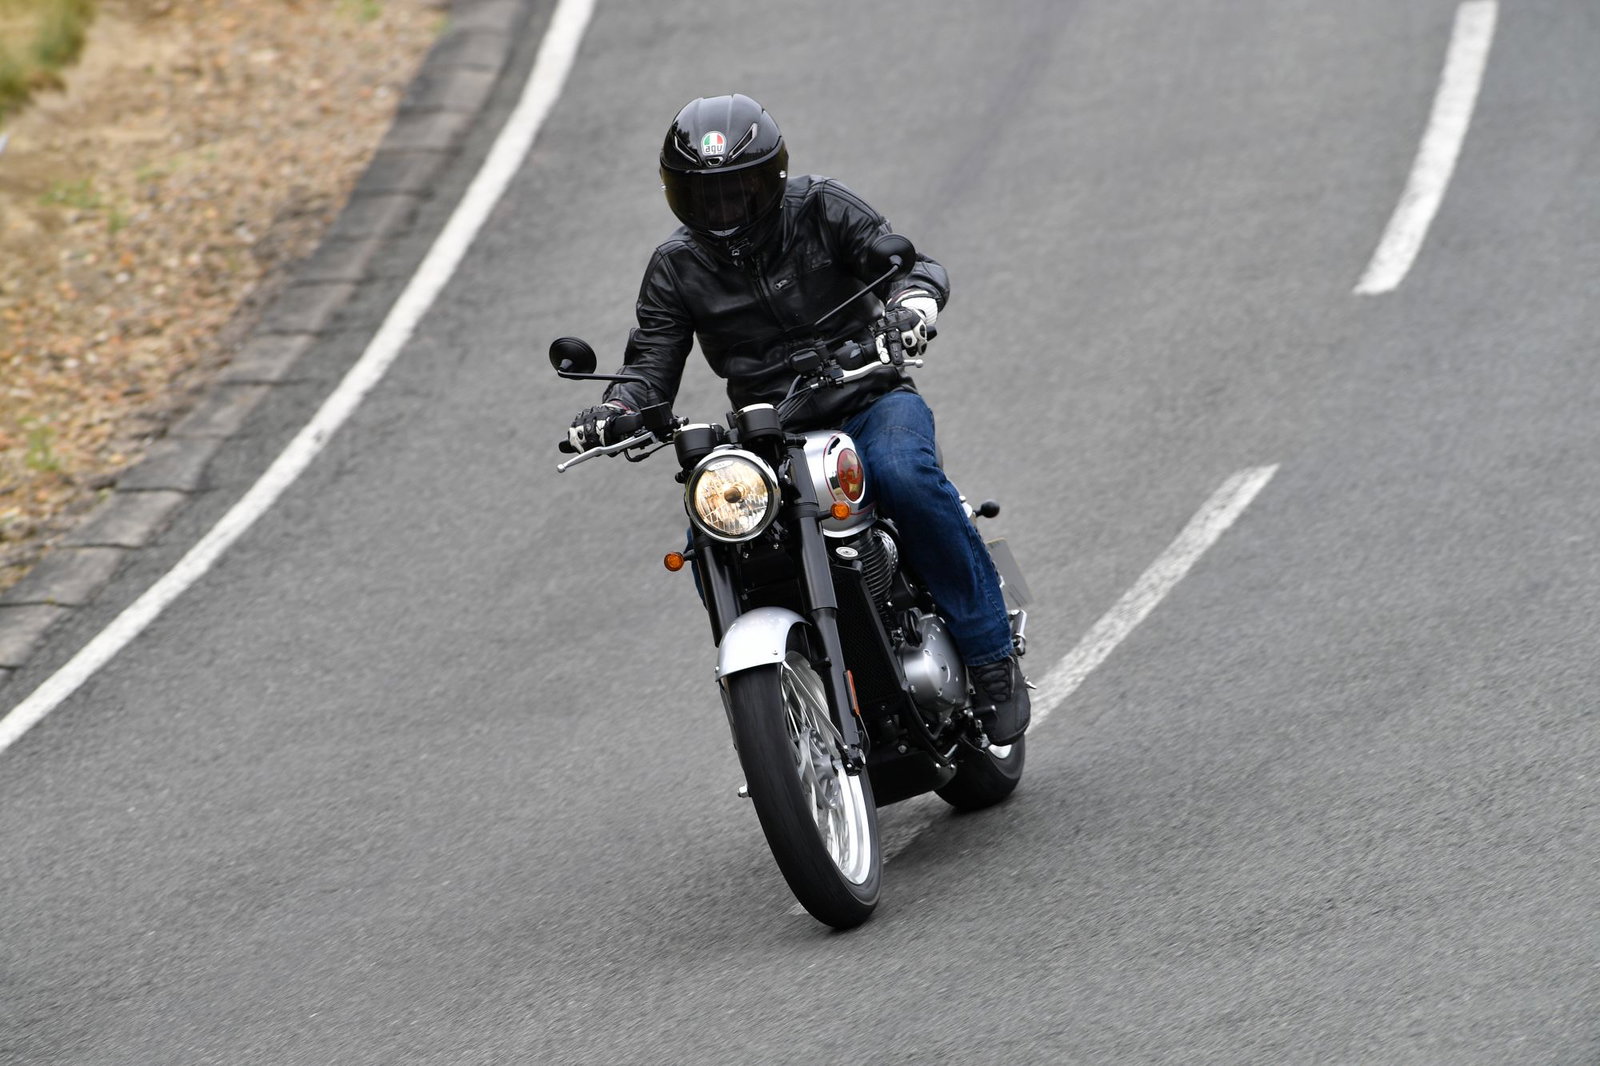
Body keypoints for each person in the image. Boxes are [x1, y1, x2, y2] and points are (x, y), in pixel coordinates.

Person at [566, 94, 1030, 744]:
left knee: (903, 475)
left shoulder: (822, 208)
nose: (725, 211)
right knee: (716, 536)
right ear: (680, 197)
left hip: (867, 399)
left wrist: (911, 306)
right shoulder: (676, 267)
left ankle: (988, 657)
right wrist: (617, 411)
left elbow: (905, 265)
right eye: (708, 197)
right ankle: (777, 711)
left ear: (773, 177)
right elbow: (649, 366)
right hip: (769, 433)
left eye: (739, 191)